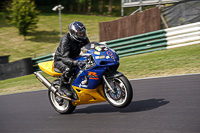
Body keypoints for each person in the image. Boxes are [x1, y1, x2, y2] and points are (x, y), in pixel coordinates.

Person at [54, 21, 90, 97]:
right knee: (68, 69)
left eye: (83, 33)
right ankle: (63, 87)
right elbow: (65, 58)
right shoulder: (66, 40)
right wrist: (76, 63)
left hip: (74, 57)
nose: (82, 35)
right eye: (79, 33)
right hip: (61, 60)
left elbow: (90, 48)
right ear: (73, 33)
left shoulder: (83, 38)